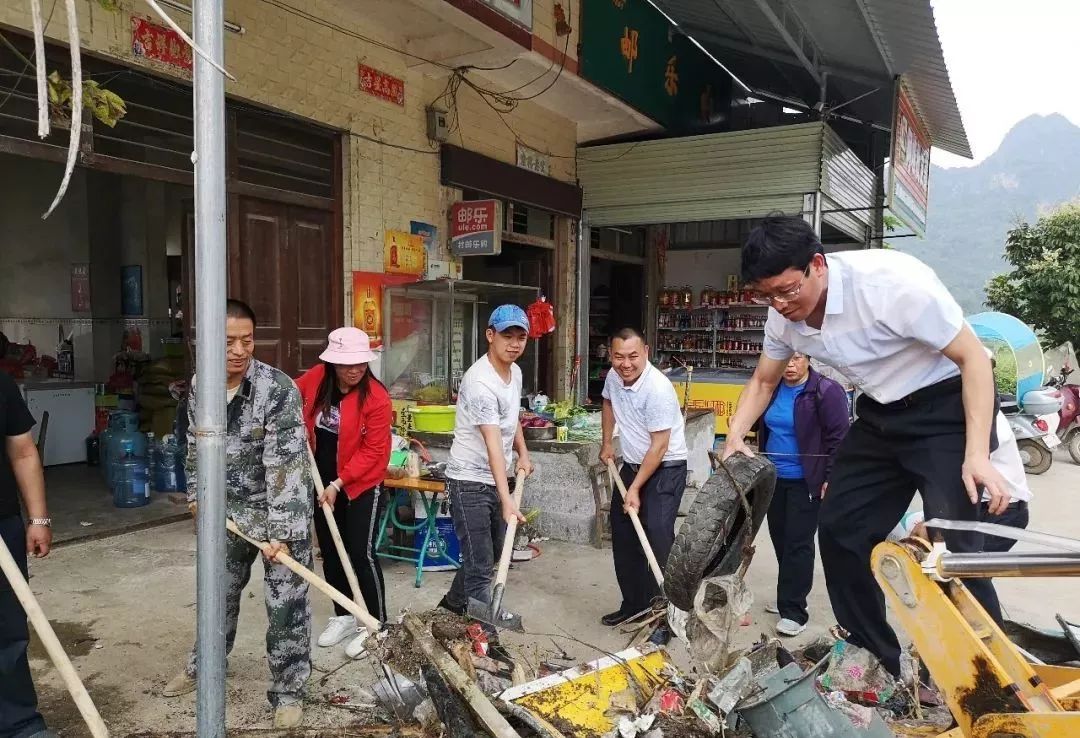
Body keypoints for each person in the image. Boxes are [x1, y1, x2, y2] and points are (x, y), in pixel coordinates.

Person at [721, 215, 1010, 679]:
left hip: (945, 409)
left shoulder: (891, 285)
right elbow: (763, 379)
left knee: (956, 548)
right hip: (880, 413)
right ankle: (875, 654)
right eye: (765, 295)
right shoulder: (783, 316)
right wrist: (736, 434)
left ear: (818, 265)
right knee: (839, 528)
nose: (778, 304)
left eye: (787, 290)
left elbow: (973, 358)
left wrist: (976, 452)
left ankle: (990, 677)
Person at [163, 300, 313, 729]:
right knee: (216, 595)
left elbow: (284, 466)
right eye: (228, 341)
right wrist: (197, 499)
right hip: (226, 513)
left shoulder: (277, 389)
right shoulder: (200, 386)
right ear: (206, 342)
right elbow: (194, 447)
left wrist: (281, 532)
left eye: (247, 340)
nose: (239, 350)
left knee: (287, 605)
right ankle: (204, 667)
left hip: (280, 512)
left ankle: (288, 691)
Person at [438, 305, 533, 662]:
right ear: (490, 335)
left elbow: (512, 420)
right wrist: (507, 498)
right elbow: (493, 444)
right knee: (481, 567)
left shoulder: (516, 373)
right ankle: (488, 644)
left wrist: (522, 453)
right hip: (468, 482)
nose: (513, 343)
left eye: (520, 336)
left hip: (497, 478)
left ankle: (448, 610)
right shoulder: (479, 382)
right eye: (506, 335)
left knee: (486, 556)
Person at [296, 327, 392, 659]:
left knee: (360, 552)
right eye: (347, 364)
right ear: (333, 362)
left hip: (361, 483)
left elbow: (373, 451)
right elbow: (290, 395)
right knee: (331, 551)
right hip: (321, 480)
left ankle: (377, 625)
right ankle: (344, 616)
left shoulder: (376, 397)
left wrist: (339, 483)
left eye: (360, 364)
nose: (354, 370)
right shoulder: (318, 378)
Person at [599, 328, 687, 645]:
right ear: (611, 354)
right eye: (619, 356)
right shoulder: (613, 377)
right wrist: (607, 441)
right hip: (634, 463)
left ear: (646, 352)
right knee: (623, 533)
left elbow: (660, 447)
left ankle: (669, 616)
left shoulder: (658, 389)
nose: (626, 364)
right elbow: (607, 403)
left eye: (633, 356)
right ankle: (635, 604)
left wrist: (634, 488)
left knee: (658, 534)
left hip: (666, 467)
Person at [758, 352, 850, 637]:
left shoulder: (825, 391)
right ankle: (789, 593)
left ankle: (795, 611)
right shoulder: (770, 388)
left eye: (797, 358)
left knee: (799, 543)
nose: (790, 365)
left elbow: (840, 437)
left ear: (808, 359)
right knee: (781, 540)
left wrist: (831, 477)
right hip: (774, 478)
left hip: (806, 481)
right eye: (785, 359)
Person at [0, 371, 55, 738]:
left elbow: (22, 450)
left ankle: (20, 723)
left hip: (3, 526)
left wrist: (38, 518)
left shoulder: (0, 384)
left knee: (8, 631)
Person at [890, 409, 1032, 550]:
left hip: (999, 513)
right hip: (979, 506)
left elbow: (962, 478)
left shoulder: (981, 420)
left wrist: (934, 524)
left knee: (953, 567)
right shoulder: (965, 414)